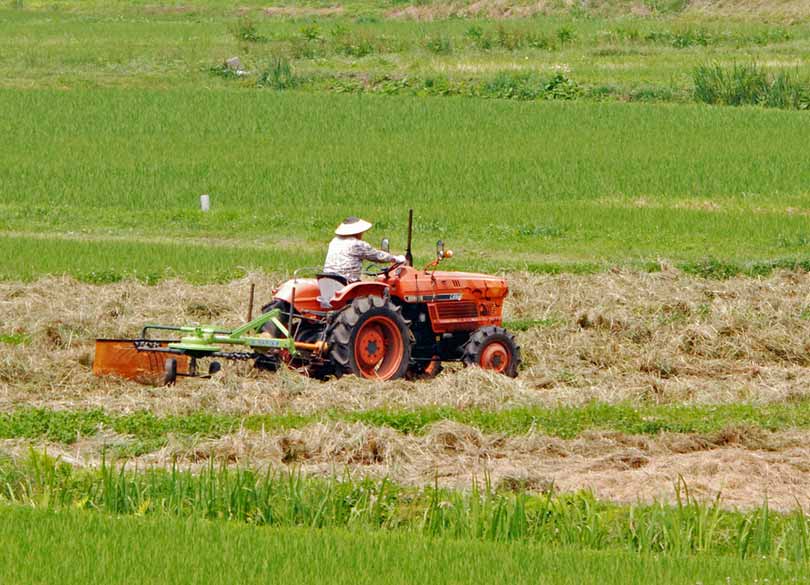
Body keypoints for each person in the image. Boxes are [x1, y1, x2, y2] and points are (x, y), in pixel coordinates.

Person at [323, 217, 406, 283]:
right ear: (357, 232)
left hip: (328, 279)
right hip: (347, 281)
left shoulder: (334, 241)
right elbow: (378, 256)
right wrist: (396, 259)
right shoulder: (357, 244)